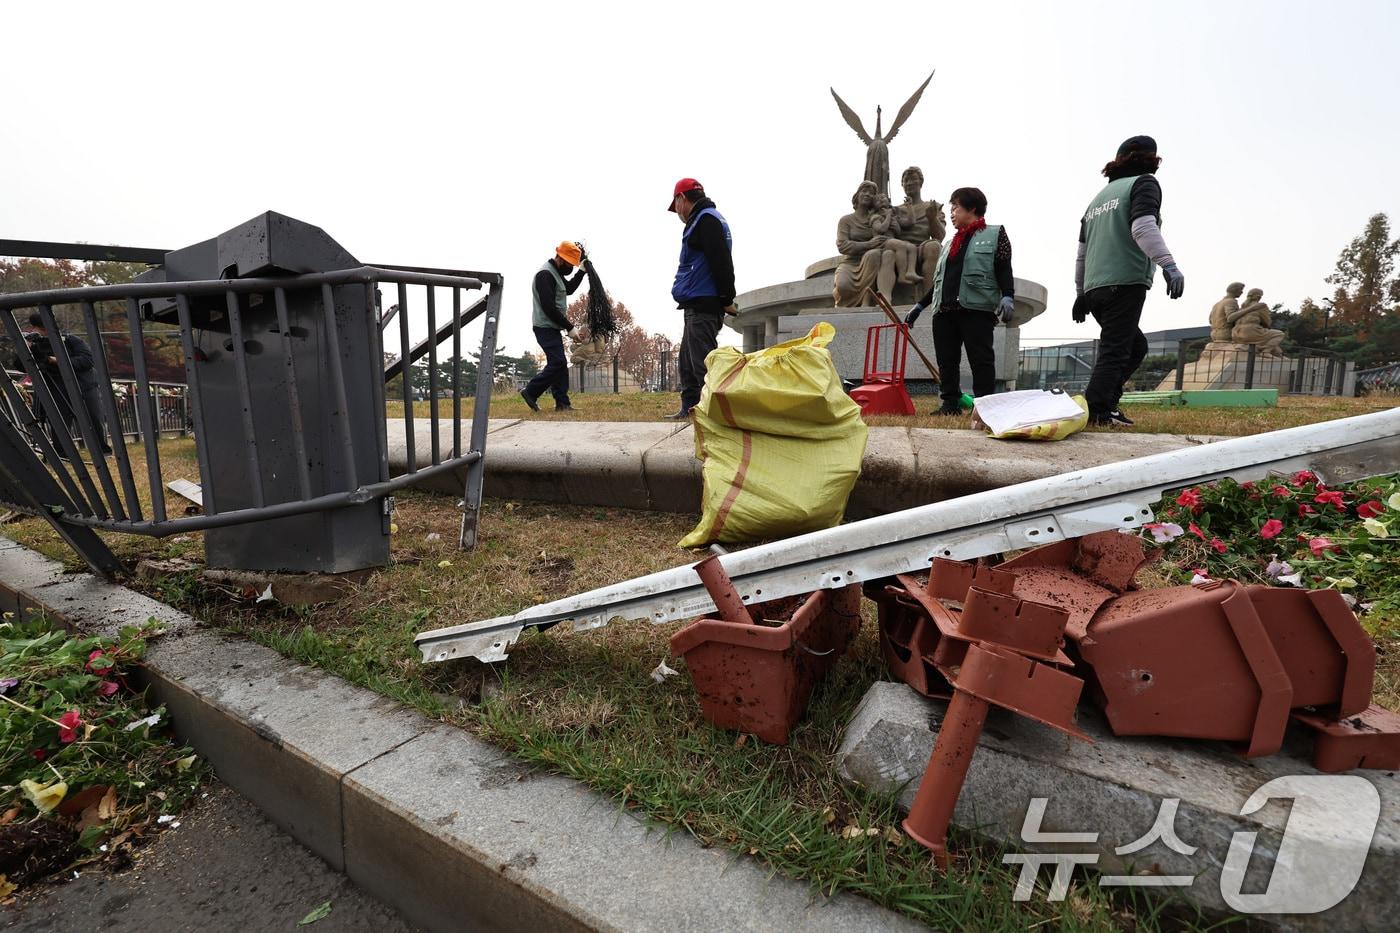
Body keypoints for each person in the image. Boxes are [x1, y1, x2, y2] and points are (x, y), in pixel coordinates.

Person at [1073, 135, 1185, 426]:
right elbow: (1143, 227)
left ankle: (1107, 403)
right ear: (1150, 160)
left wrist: (1080, 293)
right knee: (1116, 349)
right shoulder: (1144, 184)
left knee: (1135, 346)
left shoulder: (1097, 199)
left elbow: (1082, 253)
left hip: (1094, 287)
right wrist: (1168, 264)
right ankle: (1097, 409)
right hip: (1124, 281)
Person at [903, 187, 1015, 415]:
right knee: (947, 361)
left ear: (972, 208)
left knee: (981, 359)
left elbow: (1004, 268)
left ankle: (984, 407)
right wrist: (920, 306)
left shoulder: (995, 234)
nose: (952, 212)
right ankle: (949, 404)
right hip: (944, 311)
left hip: (975, 308)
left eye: (956, 207)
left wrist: (1008, 295)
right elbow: (939, 280)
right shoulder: (948, 245)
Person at [667, 178, 735, 419]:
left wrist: (727, 297)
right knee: (687, 361)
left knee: (702, 364)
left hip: (704, 303)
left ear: (681, 199)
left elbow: (721, 262)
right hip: (696, 303)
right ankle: (690, 408)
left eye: (676, 208)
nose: (678, 214)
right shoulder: (705, 219)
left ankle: (714, 413)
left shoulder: (706, 220)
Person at [22, 311, 111, 454]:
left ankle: (102, 450)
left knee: (93, 418)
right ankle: (63, 453)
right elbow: (21, 365)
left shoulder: (70, 340)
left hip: (83, 387)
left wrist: (58, 360)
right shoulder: (34, 344)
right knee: (59, 421)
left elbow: (87, 360)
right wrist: (26, 347)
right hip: (56, 388)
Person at [521, 241, 589, 412]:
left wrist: (581, 272)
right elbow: (548, 307)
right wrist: (570, 327)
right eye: (570, 265)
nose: (571, 269)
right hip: (544, 327)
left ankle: (562, 403)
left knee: (559, 363)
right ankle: (531, 391)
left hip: (551, 327)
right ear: (560, 258)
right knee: (558, 362)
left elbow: (569, 289)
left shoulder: (556, 273)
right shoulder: (545, 275)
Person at [870, 193, 921, 285]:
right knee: (900, 245)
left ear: (889, 201)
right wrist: (888, 216)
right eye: (877, 200)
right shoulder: (876, 217)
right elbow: (881, 229)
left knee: (911, 247)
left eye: (883, 198)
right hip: (881, 242)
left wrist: (909, 206)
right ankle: (902, 275)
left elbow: (910, 222)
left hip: (892, 241)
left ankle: (911, 271)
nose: (881, 200)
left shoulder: (894, 216)